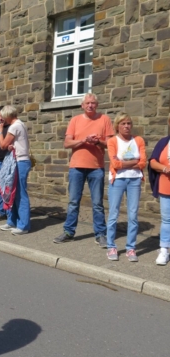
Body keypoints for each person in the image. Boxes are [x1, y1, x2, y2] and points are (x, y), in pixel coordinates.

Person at [53, 93, 114, 245]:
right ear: (82, 105)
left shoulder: (104, 119)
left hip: (96, 167)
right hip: (76, 167)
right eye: (87, 103)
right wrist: (84, 140)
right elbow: (67, 143)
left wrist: (97, 142)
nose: (90, 105)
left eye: (93, 103)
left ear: (97, 105)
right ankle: (68, 232)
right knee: (73, 202)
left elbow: (110, 144)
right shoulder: (75, 120)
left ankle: (100, 234)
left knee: (97, 203)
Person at [105, 112, 146, 262]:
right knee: (113, 213)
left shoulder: (138, 140)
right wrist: (134, 161)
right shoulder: (112, 141)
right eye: (123, 123)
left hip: (134, 180)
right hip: (118, 180)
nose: (126, 126)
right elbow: (115, 164)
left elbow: (143, 162)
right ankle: (111, 246)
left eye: (129, 123)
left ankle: (130, 248)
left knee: (133, 215)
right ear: (117, 126)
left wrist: (126, 163)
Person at [0, 105, 31, 235]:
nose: (2, 119)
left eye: (2, 116)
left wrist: (0, 131)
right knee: (14, 192)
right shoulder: (20, 124)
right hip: (21, 161)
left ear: (7, 115)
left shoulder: (14, 126)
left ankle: (23, 225)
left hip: (20, 162)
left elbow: (2, 145)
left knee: (20, 193)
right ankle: (13, 221)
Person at [148, 114, 170, 265]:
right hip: (166, 186)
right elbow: (153, 162)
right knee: (167, 220)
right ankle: (164, 249)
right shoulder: (163, 142)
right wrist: (165, 168)